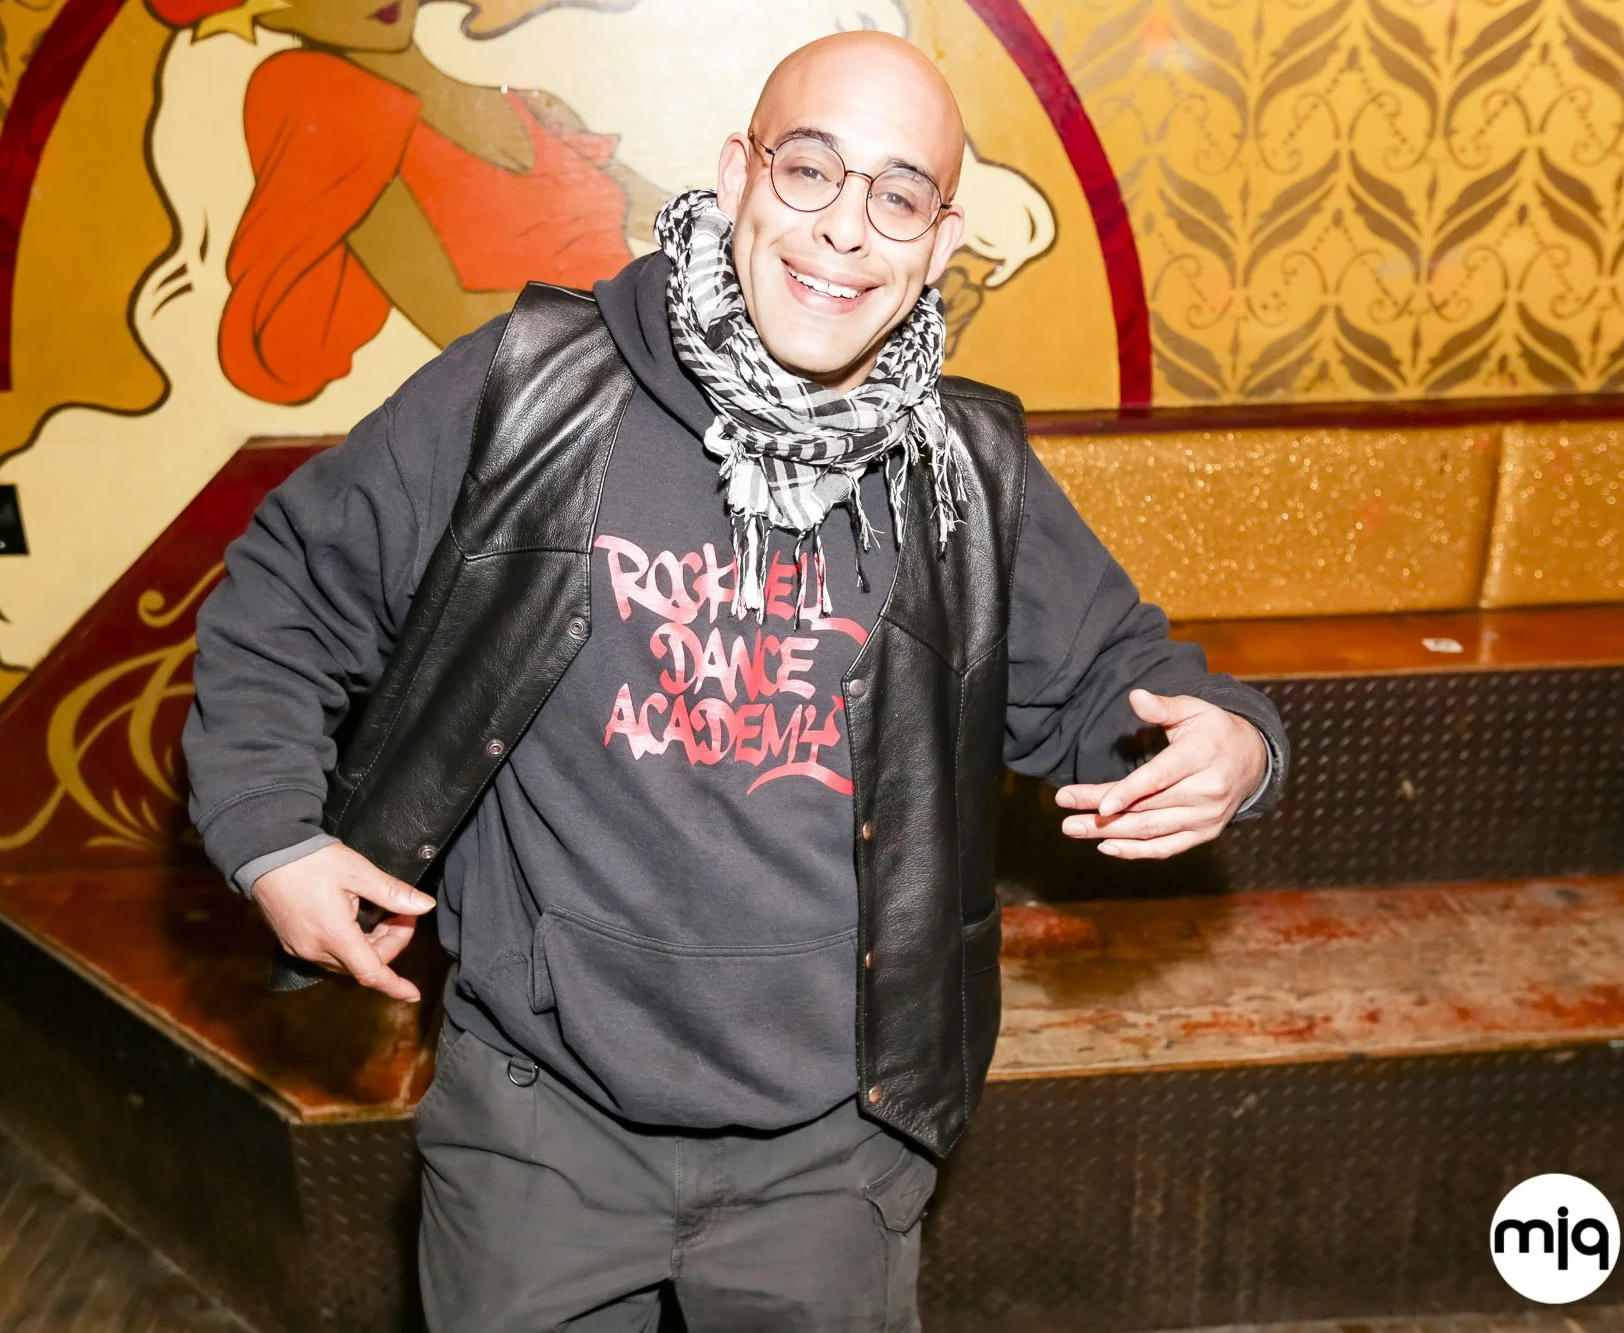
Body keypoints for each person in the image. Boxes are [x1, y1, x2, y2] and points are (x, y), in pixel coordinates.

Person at [183, 30, 1289, 1332]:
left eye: (898, 195)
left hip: (833, 1145)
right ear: (735, 175)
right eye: (809, 170)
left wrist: (1229, 744)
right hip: (538, 1126)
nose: (844, 231)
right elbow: (290, 587)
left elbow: (1119, 678)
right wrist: (269, 833)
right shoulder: (530, 391)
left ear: (940, 241)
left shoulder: (964, 472)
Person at [147, 0, 659, 404]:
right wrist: (656, 350)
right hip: (586, 400)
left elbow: (674, 217)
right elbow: (461, 325)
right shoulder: (354, 127)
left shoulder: (533, 104)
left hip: (661, 367)